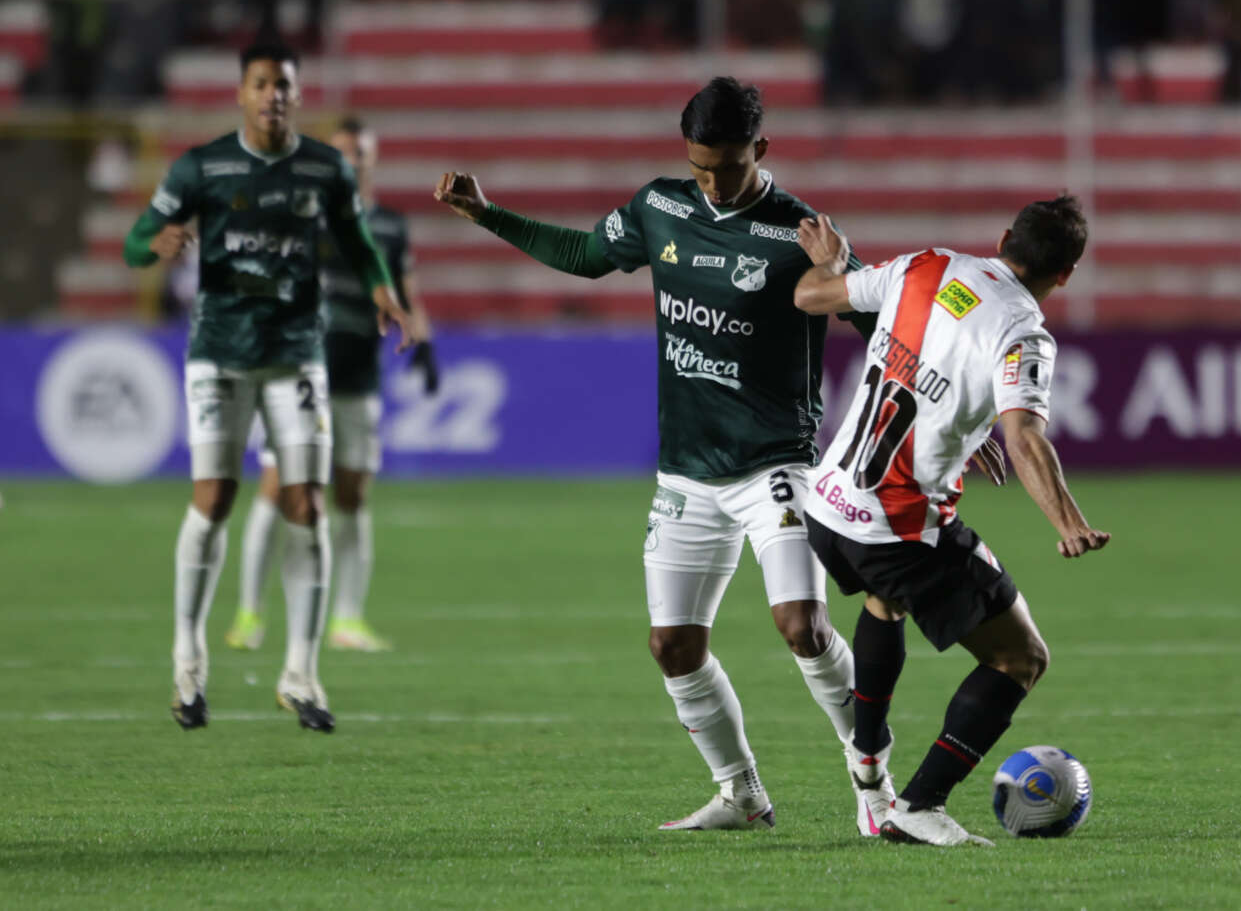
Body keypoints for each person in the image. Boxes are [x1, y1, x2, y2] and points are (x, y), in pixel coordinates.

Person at [432, 77, 876, 833]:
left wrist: (938, 418)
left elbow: (877, 320)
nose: (711, 181)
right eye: (700, 165)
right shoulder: (660, 206)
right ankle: (742, 793)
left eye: (727, 167)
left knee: (801, 623)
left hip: (779, 463)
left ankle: (876, 780)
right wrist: (486, 213)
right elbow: (582, 253)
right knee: (672, 644)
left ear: (761, 150)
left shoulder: (799, 232)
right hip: (687, 469)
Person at [792, 196, 1110, 846]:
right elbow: (1024, 436)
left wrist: (834, 265)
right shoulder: (1023, 331)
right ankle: (921, 802)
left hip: (828, 505)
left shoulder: (925, 267)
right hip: (898, 525)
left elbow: (810, 296)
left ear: (1003, 238)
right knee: (1020, 656)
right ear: (1067, 274)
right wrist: (1068, 519)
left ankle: (868, 759)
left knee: (885, 603)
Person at [122, 43, 413, 733]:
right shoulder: (204, 165)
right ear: (242, 94)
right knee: (215, 496)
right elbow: (136, 240)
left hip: (296, 354)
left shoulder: (324, 166)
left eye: (283, 85)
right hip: (220, 353)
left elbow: (356, 235)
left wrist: (381, 288)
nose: (272, 95)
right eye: (261, 84)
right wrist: (153, 246)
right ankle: (188, 660)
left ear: (297, 95)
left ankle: (302, 674)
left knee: (305, 503)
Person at [226, 115, 438, 655]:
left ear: (372, 159)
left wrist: (425, 343)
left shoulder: (389, 224)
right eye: (342, 153)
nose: (352, 161)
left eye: (360, 153)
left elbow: (407, 290)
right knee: (276, 489)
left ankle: (347, 620)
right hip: (301, 373)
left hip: (360, 377)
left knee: (352, 497)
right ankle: (250, 613)